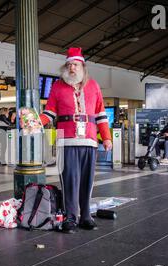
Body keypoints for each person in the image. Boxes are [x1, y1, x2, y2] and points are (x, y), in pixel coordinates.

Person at [37, 47, 112, 234]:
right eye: (69, 64)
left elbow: (101, 114)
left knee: (87, 181)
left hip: (89, 140)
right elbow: (49, 113)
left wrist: (107, 138)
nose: (72, 68)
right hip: (66, 141)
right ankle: (71, 218)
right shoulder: (57, 87)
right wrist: (35, 123)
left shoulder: (93, 86)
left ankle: (86, 216)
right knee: (70, 180)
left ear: (82, 67)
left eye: (75, 64)